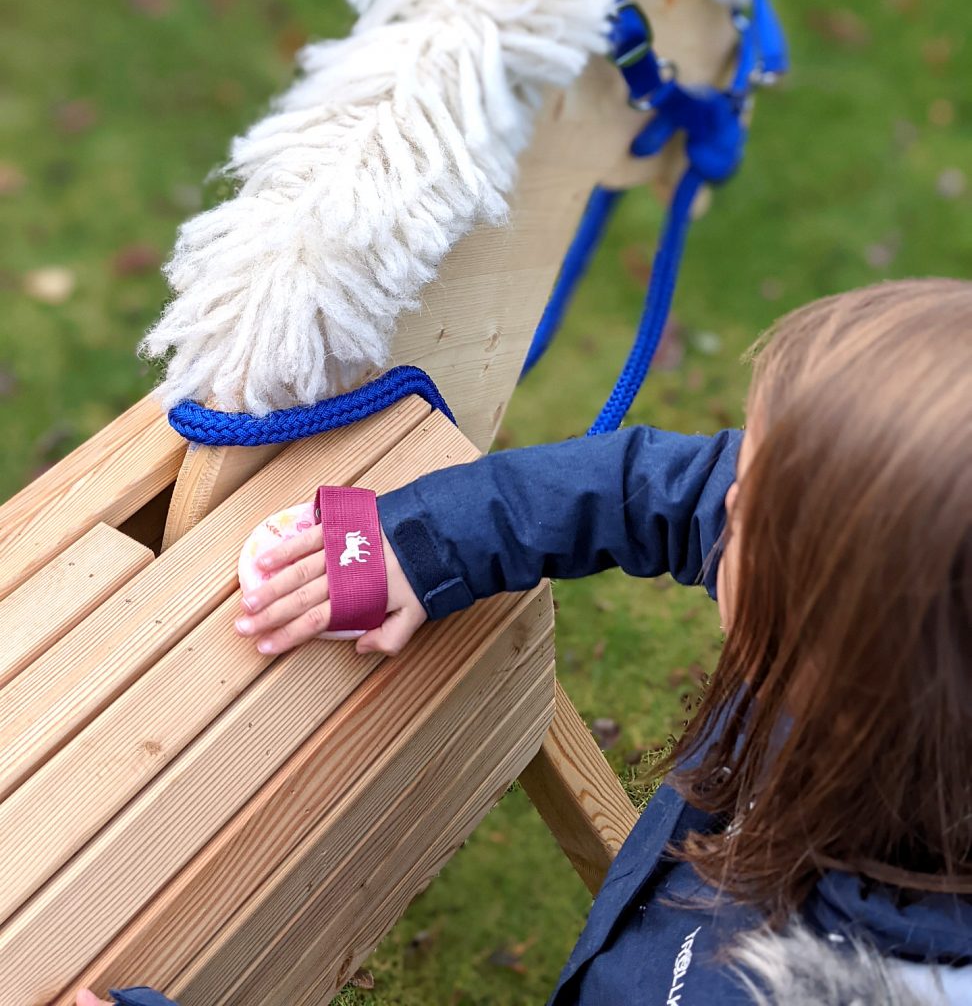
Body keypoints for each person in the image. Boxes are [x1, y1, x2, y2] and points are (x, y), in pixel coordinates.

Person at [79, 278, 972, 1006]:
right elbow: (668, 487)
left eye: (754, 515)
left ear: (850, 652)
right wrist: (429, 538)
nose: (724, 500)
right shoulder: (909, 676)